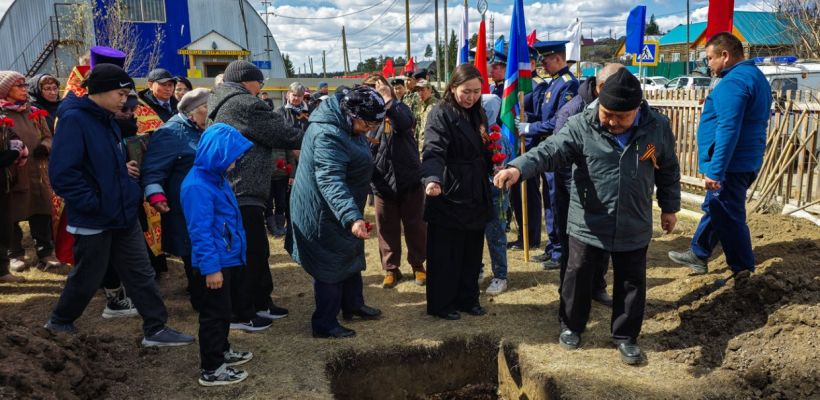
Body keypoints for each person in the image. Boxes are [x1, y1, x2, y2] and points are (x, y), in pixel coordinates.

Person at [494, 68, 681, 365]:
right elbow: (550, 150)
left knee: (631, 280)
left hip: (633, 219)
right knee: (577, 274)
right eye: (607, 114)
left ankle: (626, 336)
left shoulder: (657, 127)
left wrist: (670, 207)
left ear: (637, 109)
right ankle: (571, 325)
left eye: (621, 117)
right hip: (588, 219)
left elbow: (668, 168)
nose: (612, 122)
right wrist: (518, 168)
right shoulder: (582, 124)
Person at [46, 63, 195, 347]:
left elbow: (105, 161)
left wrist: (123, 178)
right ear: (100, 91)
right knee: (87, 275)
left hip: (123, 212)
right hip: (95, 217)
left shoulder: (107, 119)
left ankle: (156, 328)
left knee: (141, 272)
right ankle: (60, 321)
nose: (125, 100)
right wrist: (95, 203)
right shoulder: (74, 120)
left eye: (127, 94)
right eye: (120, 93)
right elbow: (63, 173)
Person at [668, 32, 772, 281]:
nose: (708, 64)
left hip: (731, 164)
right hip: (743, 160)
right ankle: (699, 253)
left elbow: (728, 127)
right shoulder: (754, 76)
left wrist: (716, 170)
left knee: (730, 215)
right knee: (716, 206)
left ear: (725, 55)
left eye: (710, 58)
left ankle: (743, 270)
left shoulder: (734, 82)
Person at [208, 60, 303, 330]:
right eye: (259, 82)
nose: (260, 87)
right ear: (245, 81)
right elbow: (282, 133)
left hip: (240, 187)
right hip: (242, 188)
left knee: (257, 251)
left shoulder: (221, 99)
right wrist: (316, 133)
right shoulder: (244, 103)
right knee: (248, 252)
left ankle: (261, 301)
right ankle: (242, 311)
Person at [289, 86, 384, 338]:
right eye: (366, 125)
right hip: (323, 210)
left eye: (374, 126)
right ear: (351, 115)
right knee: (329, 265)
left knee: (349, 254)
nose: (368, 130)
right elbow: (330, 179)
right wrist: (351, 216)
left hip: (342, 207)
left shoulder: (348, 124)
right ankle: (325, 323)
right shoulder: (328, 134)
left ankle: (353, 304)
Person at [181, 122, 254, 387]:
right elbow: (200, 232)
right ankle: (212, 368)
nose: (235, 162)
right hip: (214, 263)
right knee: (214, 315)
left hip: (226, 257)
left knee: (224, 311)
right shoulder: (197, 186)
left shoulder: (216, 178)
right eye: (232, 157)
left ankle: (222, 350)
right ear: (217, 154)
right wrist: (211, 269)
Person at [551, 63, 625, 308]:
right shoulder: (573, 111)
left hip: (606, 191)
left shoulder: (617, 107)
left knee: (603, 244)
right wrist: (580, 192)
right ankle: (569, 295)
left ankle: (597, 286)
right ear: (601, 87)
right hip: (575, 192)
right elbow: (560, 155)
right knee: (575, 250)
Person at [422, 64, 493, 320]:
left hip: (476, 189)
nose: (471, 97)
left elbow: (485, 146)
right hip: (449, 189)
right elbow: (433, 150)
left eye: (476, 91)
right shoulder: (440, 113)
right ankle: (442, 303)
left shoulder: (479, 113)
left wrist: (496, 161)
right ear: (453, 88)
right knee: (447, 252)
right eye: (466, 91)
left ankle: (468, 298)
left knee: (472, 251)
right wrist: (432, 179)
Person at [512, 41, 579, 267]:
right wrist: (527, 120)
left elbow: (559, 122)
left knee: (557, 201)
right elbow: (544, 116)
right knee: (550, 202)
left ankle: (560, 251)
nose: (542, 64)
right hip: (548, 151)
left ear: (558, 59)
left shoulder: (569, 84)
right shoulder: (554, 83)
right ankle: (553, 246)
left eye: (546, 60)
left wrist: (530, 127)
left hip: (558, 152)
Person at [142, 88, 210, 310]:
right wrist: (156, 195)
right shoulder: (170, 132)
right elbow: (153, 169)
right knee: (194, 254)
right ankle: (202, 301)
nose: (211, 115)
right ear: (192, 112)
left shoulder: (205, 128)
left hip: (210, 202)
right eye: (206, 110)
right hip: (186, 207)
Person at [363, 75, 427, 289]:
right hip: (381, 180)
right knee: (386, 227)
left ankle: (418, 264)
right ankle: (391, 268)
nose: (374, 91)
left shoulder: (400, 107)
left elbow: (405, 122)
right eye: (370, 88)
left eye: (378, 86)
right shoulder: (365, 113)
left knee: (415, 225)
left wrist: (388, 100)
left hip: (409, 178)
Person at [0, 71, 60, 272]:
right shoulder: (2, 115)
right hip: (14, 172)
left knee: (41, 209)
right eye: (19, 86)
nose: (25, 89)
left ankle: (45, 252)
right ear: (6, 90)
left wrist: (45, 146)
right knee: (13, 213)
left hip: (38, 170)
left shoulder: (34, 112)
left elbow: (48, 136)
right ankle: (15, 254)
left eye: (25, 85)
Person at [480, 94, 514, 295]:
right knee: (474, 235)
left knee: (496, 236)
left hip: (495, 194)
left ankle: (500, 276)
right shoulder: (475, 133)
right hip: (476, 193)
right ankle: (477, 269)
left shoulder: (498, 137)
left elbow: (506, 164)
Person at [269, 83, 306, 237]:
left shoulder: (308, 112)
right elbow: (280, 136)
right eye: (294, 95)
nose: (296, 98)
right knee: (285, 196)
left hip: (305, 157)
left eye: (299, 96)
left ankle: (299, 221)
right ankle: (284, 223)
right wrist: (293, 151)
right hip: (287, 159)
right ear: (287, 95)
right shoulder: (279, 112)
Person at [0, 124, 28, 283]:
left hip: (3, 185)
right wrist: (11, 154)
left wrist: (17, 145)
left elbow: (12, 136)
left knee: (4, 229)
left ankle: (1, 271)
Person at [411, 79, 436, 153]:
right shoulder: (422, 105)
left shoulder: (435, 106)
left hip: (430, 149)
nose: (420, 93)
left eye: (422, 90)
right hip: (421, 148)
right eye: (418, 90)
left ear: (429, 89)